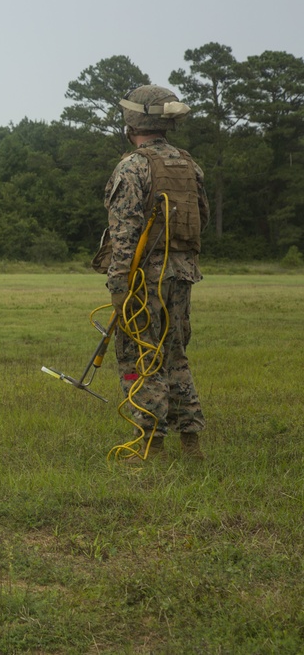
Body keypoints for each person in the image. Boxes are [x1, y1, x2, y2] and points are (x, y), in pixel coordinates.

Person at [102, 85, 208, 460]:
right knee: (176, 354)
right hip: (183, 274)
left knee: (139, 354)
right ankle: (191, 442)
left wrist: (118, 285)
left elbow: (124, 234)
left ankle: (151, 443)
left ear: (133, 122)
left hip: (145, 279)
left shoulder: (133, 166)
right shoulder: (188, 164)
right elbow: (203, 219)